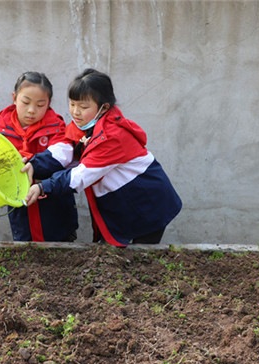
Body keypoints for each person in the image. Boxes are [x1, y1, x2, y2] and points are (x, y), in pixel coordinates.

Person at [24, 68, 182, 247]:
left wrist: (44, 187)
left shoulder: (111, 137)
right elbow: (65, 148)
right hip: (123, 203)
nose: (75, 112)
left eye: (83, 107)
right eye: (72, 104)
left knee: (142, 255)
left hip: (148, 202)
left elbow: (81, 176)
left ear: (104, 107)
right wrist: (35, 164)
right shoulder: (84, 126)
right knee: (114, 254)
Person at [0, 71, 78, 242]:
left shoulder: (57, 126)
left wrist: (34, 163)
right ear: (14, 98)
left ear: (49, 103)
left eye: (40, 104)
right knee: (25, 247)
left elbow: (62, 155)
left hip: (54, 205)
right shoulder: (0, 127)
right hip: (21, 207)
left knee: (62, 249)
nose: (31, 110)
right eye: (25, 102)